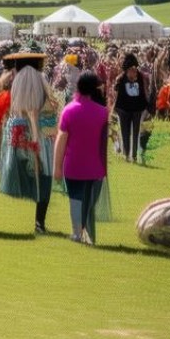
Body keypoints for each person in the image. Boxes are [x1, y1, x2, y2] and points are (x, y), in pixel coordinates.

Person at [0, 53, 59, 233]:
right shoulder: (39, 79)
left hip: (21, 131)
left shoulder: (18, 80)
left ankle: (38, 218)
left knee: (29, 170)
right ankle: (40, 221)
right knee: (43, 174)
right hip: (40, 132)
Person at [54, 73, 110, 245]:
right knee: (90, 203)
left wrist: (57, 167)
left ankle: (77, 233)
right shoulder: (102, 112)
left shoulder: (69, 110)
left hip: (73, 165)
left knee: (75, 199)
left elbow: (61, 140)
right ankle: (90, 236)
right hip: (96, 166)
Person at [114, 53, 151, 162]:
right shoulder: (120, 79)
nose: (134, 71)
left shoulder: (140, 77)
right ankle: (126, 154)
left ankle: (134, 155)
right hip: (124, 109)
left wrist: (146, 105)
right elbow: (116, 92)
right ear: (127, 70)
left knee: (135, 132)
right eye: (131, 70)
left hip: (136, 109)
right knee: (125, 132)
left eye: (135, 69)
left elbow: (144, 90)